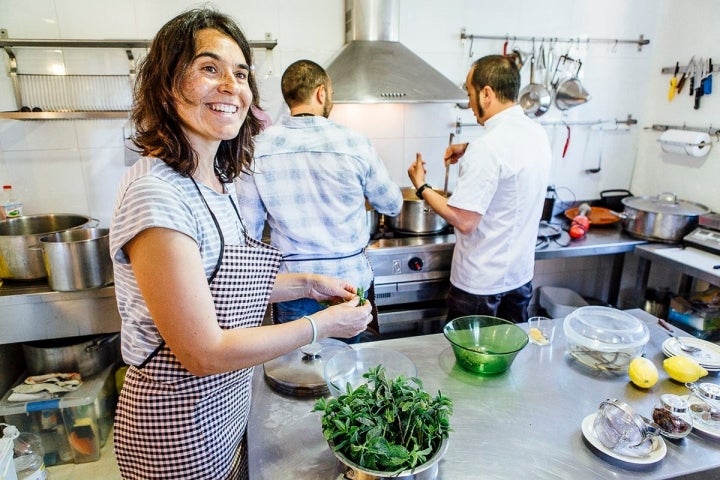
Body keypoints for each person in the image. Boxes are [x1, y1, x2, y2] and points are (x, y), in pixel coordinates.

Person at [109, 9, 372, 480]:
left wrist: (311, 284)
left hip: (227, 415)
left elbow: (226, 287)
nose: (232, 85)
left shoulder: (216, 181)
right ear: (168, 84)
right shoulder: (157, 194)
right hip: (177, 435)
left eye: (241, 73)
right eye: (210, 68)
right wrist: (322, 324)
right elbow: (203, 351)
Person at [236, 59, 402, 340]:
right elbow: (392, 204)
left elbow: (248, 235)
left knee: (297, 374)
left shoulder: (256, 148)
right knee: (348, 376)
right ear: (321, 92)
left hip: (292, 286)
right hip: (349, 286)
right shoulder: (354, 143)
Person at [407, 54, 551, 324]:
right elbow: (510, 163)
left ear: (486, 93)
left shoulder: (488, 148)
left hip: (480, 288)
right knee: (508, 359)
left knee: (469, 363)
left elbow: (464, 220)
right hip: (519, 279)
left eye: (470, 93)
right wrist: (468, 147)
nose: (469, 103)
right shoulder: (536, 134)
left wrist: (422, 186)